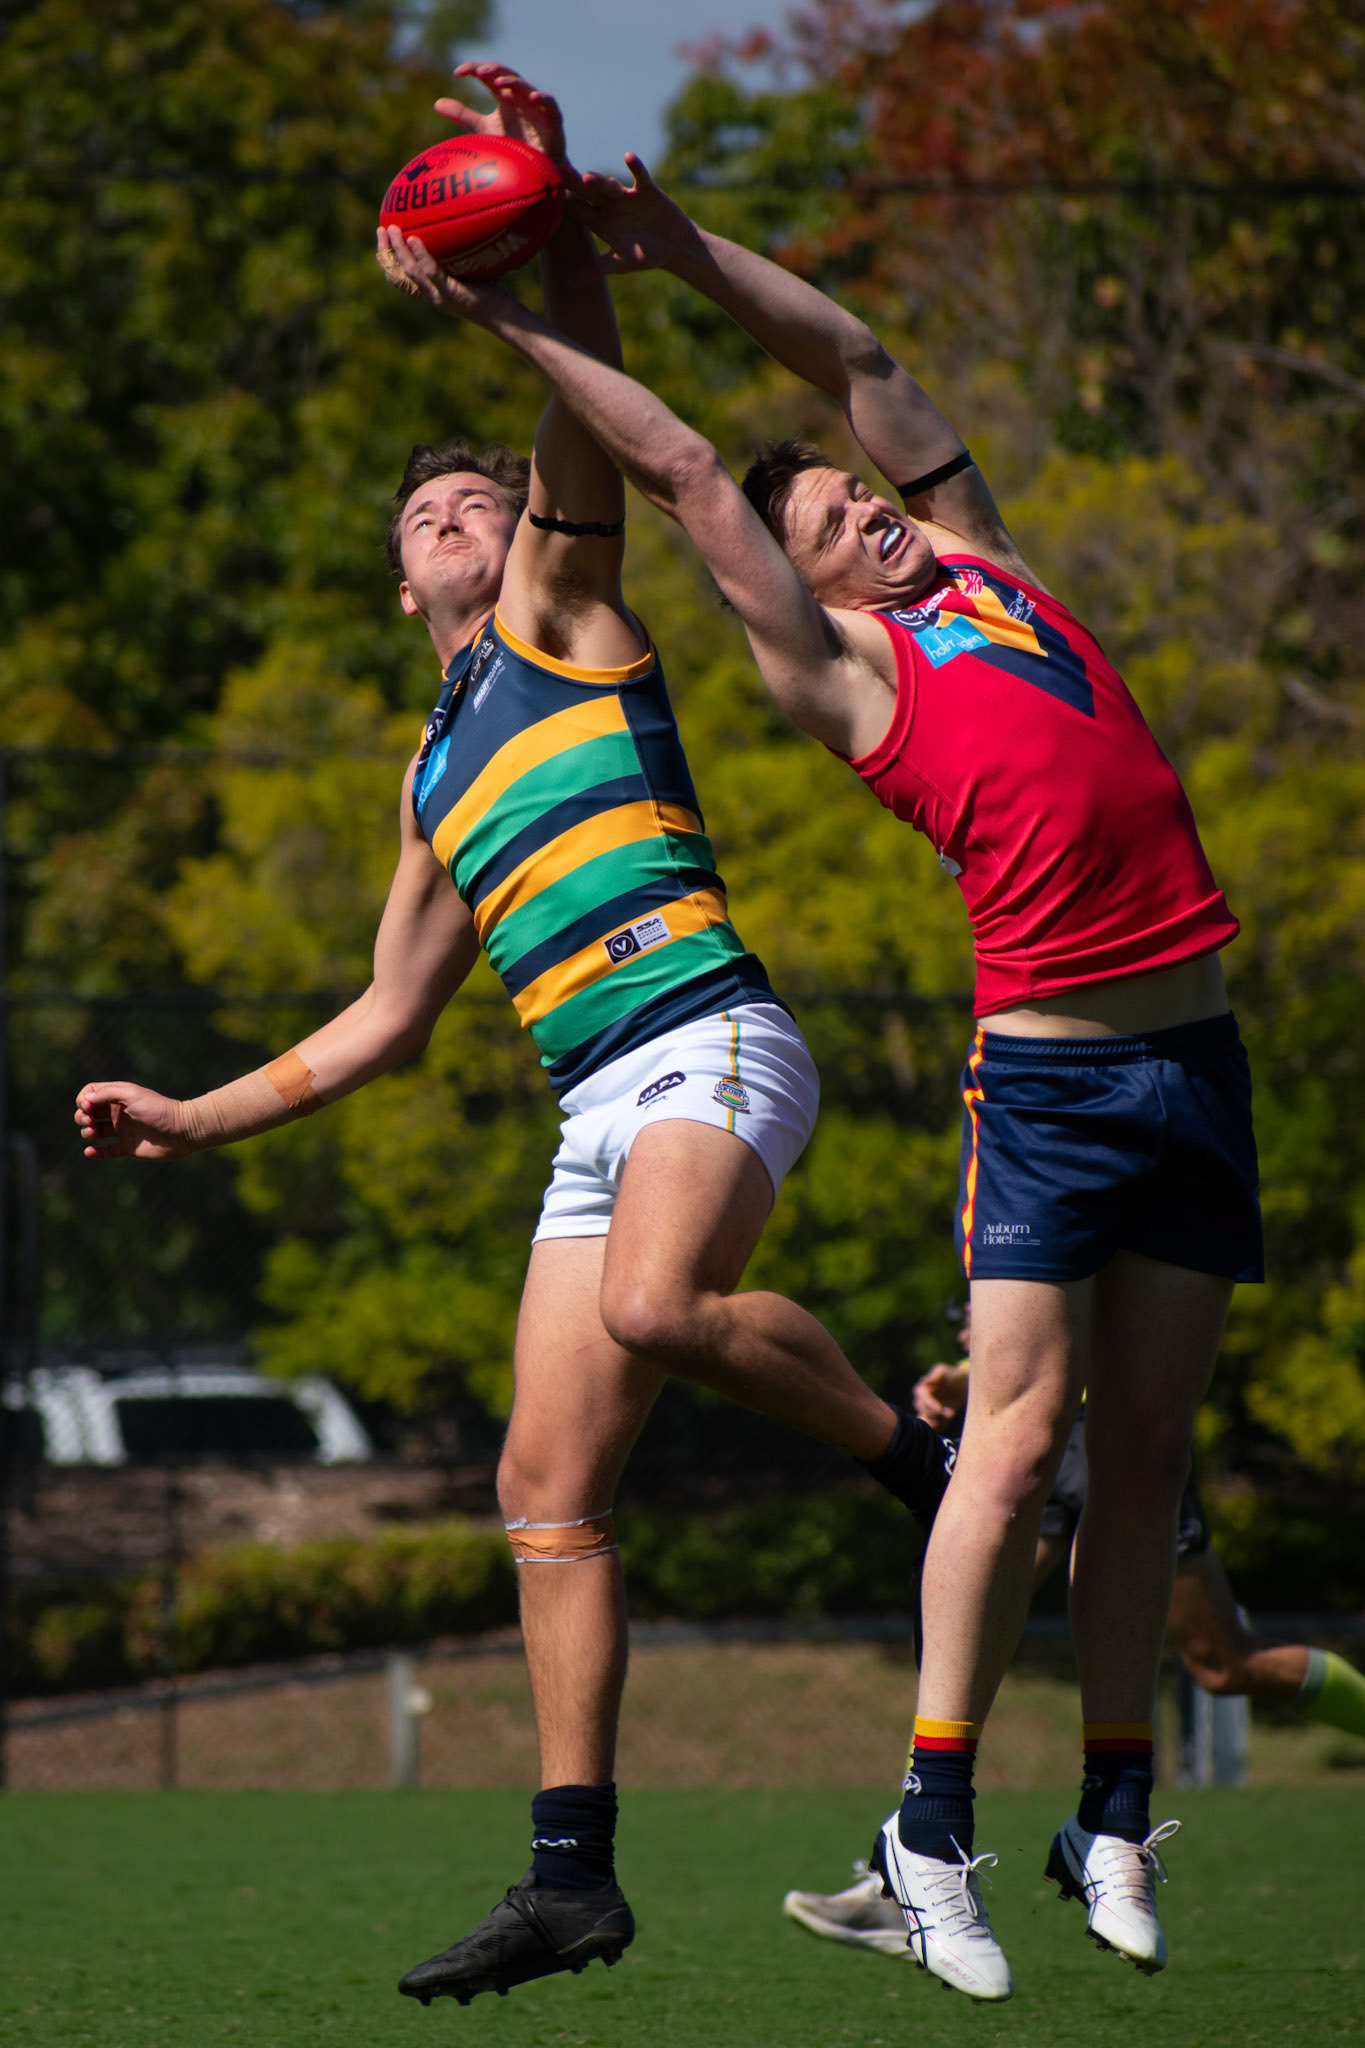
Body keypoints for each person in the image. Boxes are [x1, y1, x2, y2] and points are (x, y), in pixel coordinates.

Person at [73, 69, 950, 2012]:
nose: (460, 509)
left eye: (476, 494)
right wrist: (192, 1117)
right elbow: (387, 1017)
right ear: (403, 582)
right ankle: (570, 1880)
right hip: (591, 1108)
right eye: (427, 511)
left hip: (707, 1033)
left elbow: (588, 419)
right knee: (542, 1489)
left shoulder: (562, 611)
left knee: (651, 1307)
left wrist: (538, 235)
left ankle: (932, 1460)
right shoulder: (430, 776)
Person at [378, 151, 1263, 2003]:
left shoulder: (992, 575)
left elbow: (858, 358)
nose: (876, 512)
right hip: (1050, 1078)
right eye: (843, 523)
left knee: (1143, 1457)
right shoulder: (845, 678)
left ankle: (1108, 1811)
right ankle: (928, 1829)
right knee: (1011, 1443)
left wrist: (680, 248)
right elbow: (691, 475)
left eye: (873, 496)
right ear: (804, 587)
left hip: (1199, 1055)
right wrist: (512, 310)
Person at [783, 1321, 1365, 1958]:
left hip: (1108, 1429)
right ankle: (912, 1871)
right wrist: (971, 1376)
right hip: (1041, 1430)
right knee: (963, 1633)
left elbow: (1088, 1309)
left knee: (1223, 1661)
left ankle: (918, 1875)